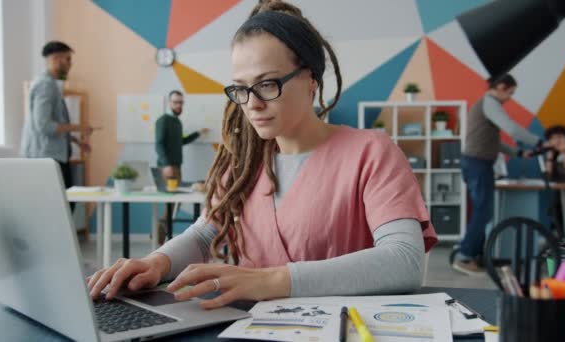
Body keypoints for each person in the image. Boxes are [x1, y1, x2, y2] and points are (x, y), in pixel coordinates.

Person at [89, 0, 437, 309]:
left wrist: (272, 281)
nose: (252, 103)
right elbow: (204, 234)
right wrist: (158, 262)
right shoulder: (245, 165)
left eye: (268, 84)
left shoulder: (372, 152)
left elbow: (403, 261)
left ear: (311, 79)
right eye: (241, 88)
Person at [453, 74, 542, 275]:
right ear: (501, 86)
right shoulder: (490, 102)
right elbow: (512, 129)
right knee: (483, 212)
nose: (510, 97)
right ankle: (465, 256)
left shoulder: (486, 105)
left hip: (476, 162)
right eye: (510, 92)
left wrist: (518, 152)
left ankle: (473, 255)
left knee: (483, 212)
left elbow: (494, 142)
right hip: (478, 163)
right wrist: (539, 142)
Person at [20, 41, 95, 210]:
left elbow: (53, 124)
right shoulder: (45, 86)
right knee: (61, 205)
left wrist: (75, 140)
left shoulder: (52, 85)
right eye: (68, 59)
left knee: (65, 203)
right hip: (45, 157)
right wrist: (79, 127)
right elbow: (44, 126)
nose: (70, 65)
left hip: (53, 155)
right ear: (56, 59)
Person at [155, 90, 210, 244]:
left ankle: (162, 237)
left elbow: (181, 141)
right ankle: (159, 237)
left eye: (181, 102)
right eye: (176, 102)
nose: (179, 105)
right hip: (167, 168)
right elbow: (158, 144)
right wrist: (166, 164)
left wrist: (198, 133)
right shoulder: (163, 120)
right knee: (171, 204)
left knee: (175, 204)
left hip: (176, 166)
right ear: (169, 103)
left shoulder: (177, 122)